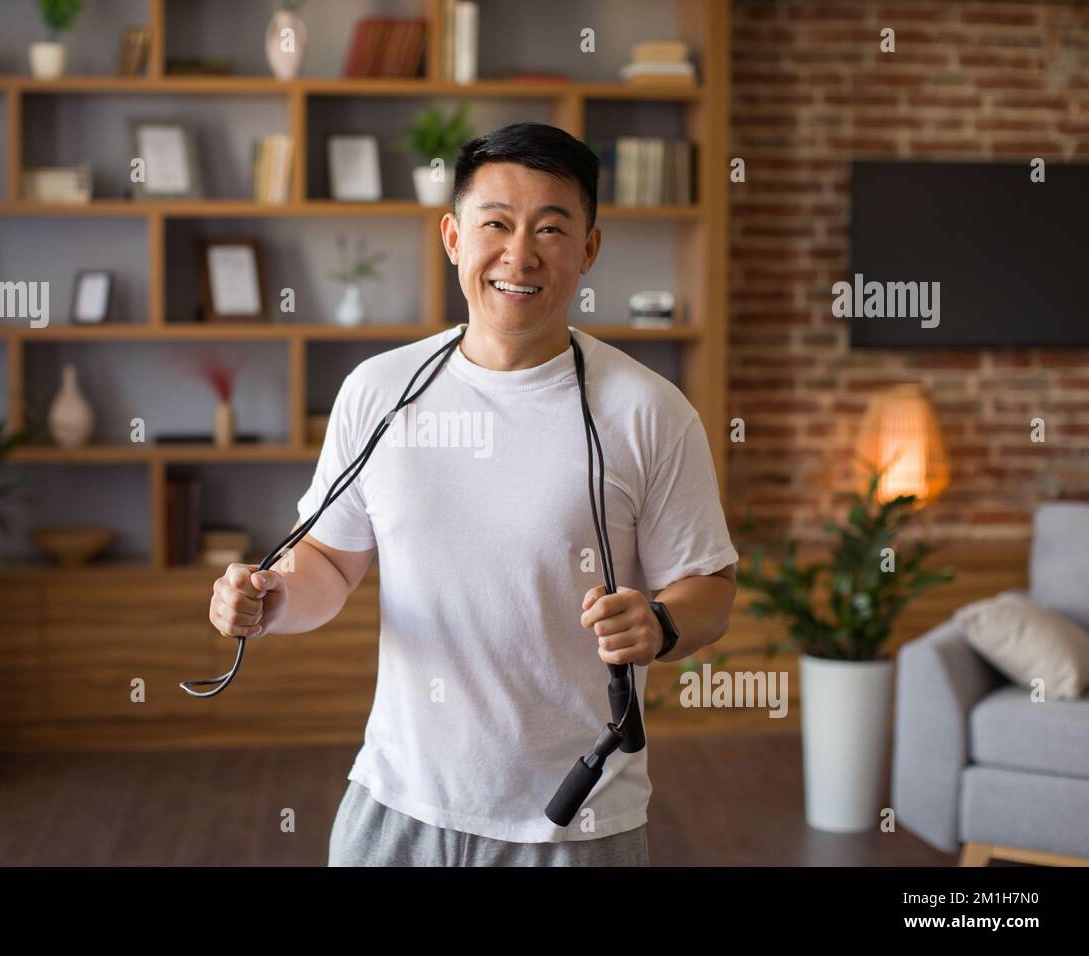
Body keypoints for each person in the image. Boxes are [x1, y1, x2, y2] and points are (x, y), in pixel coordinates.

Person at [208, 122, 738, 867]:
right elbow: (326, 564)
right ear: (454, 236)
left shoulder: (647, 411)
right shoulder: (379, 392)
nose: (519, 255)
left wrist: (659, 623)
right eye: (496, 223)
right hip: (396, 810)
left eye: (551, 228)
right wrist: (270, 602)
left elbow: (710, 587)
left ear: (588, 248)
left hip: (574, 825)